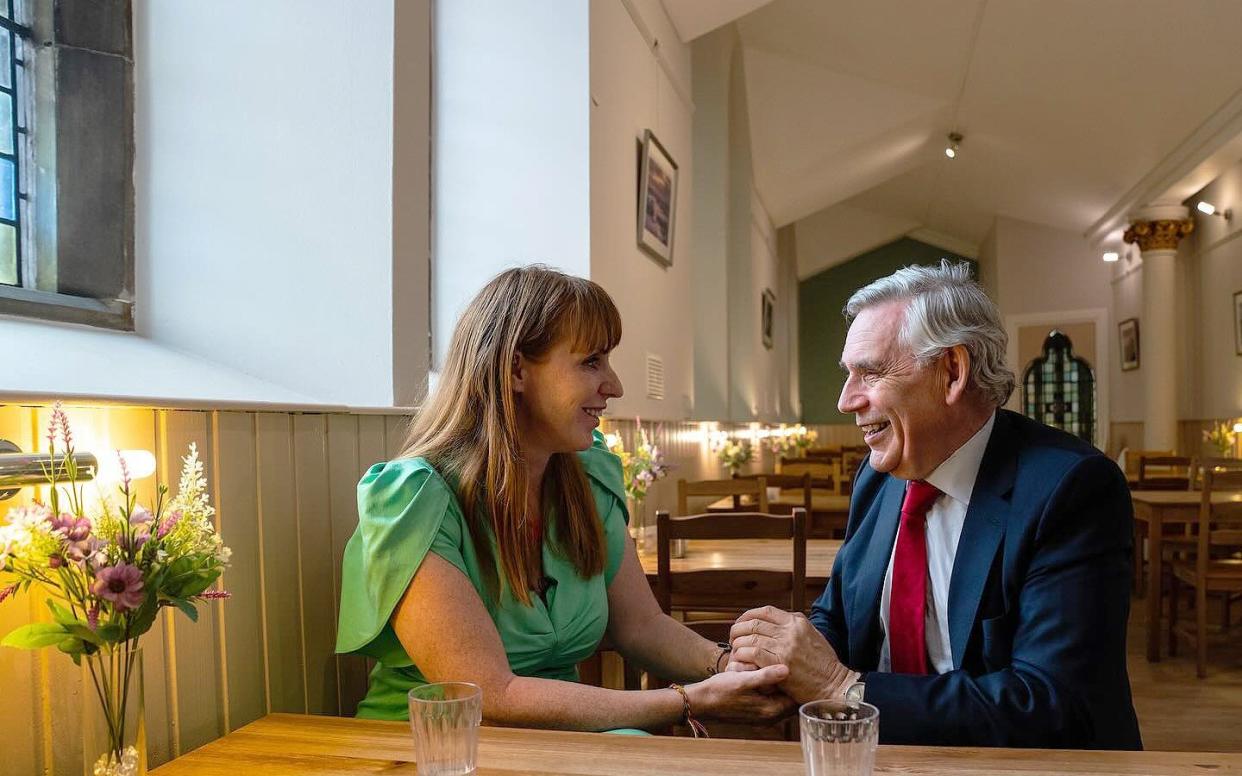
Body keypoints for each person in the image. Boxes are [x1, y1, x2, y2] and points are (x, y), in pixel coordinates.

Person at [335, 265, 792, 732]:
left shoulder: (589, 479)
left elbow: (641, 626)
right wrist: (691, 700)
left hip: (559, 741)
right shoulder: (412, 498)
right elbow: (490, 694)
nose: (614, 386)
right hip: (437, 746)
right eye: (591, 362)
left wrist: (726, 667)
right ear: (515, 369)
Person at [728, 262, 1142, 749]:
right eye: (848, 374)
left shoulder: (1071, 489)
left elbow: (1051, 703)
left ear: (952, 372)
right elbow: (840, 617)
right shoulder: (877, 476)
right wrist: (781, 661)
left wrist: (842, 688)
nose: (845, 400)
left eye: (870, 372)